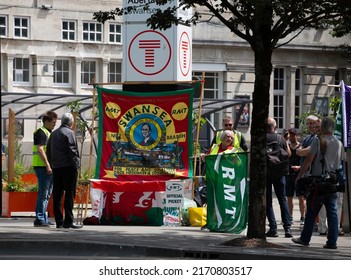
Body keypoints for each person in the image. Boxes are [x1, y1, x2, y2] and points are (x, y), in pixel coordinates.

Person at [292, 117, 344, 249]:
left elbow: (309, 159)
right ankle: (332, 242)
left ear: (322, 128)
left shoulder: (318, 140)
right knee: (332, 213)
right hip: (332, 181)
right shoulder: (338, 143)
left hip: (318, 181)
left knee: (311, 211)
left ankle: (305, 239)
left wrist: (300, 175)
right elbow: (340, 164)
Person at [47, 112, 82, 229]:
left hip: (57, 168)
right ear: (71, 123)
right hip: (68, 167)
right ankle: (68, 221)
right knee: (69, 194)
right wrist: (77, 164)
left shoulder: (54, 134)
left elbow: (48, 151)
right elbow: (72, 150)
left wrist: (53, 164)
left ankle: (59, 221)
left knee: (57, 194)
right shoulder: (70, 133)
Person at [265, 118, 292, 238]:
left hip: (266, 172)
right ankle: (287, 228)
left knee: (268, 201)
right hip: (280, 173)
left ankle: (273, 228)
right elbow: (289, 154)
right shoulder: (280, 138)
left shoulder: (262, 138)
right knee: (282, 200)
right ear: (275, 127)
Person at [32, 111, 58, 227]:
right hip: (43, 167)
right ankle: (40, 218)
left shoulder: (48, 132)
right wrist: (47, 165)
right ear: (46, 121)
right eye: (53, 122)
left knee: (47, 194)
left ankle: (43, 217)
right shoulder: (42, 133)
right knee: (43, 194)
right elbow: (40, 149)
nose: (55, 124)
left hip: (47, 167)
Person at [285, 128, 305, 227]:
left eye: (293, 135)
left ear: (296, 135)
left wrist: (300, 167)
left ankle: (302, 217)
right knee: (289, 197)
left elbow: (305, 161)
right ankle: (290, 217)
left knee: (301, 197)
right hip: (289, 174)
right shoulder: (287, 146)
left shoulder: (301, 147)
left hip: (299, 175)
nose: (291, 137)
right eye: (290, 135)